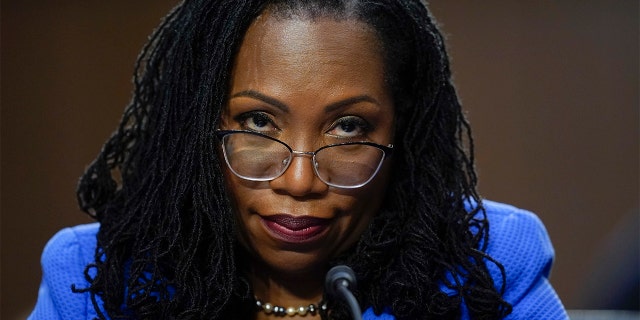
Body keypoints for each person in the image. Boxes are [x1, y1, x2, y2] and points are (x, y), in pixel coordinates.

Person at [28, 0, 568, 319]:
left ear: (404, 134)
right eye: (258, 122)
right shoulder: (95, 281)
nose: (301, 180)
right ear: (196, 132)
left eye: (348, 128)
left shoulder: (489, 267)